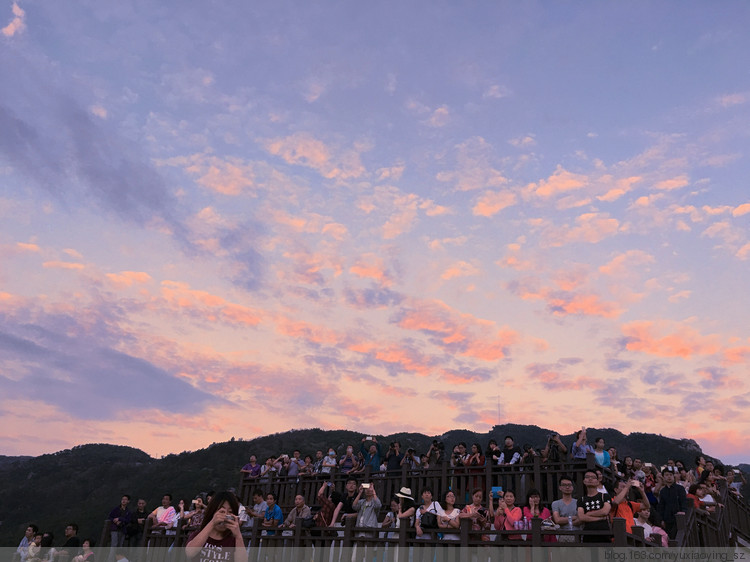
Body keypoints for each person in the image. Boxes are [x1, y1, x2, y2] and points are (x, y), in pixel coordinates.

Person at [185, 491, 247, 562]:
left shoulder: (234, 541)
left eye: (230, 512)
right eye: (221, 511)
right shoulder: (198, 535)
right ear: (212, 511)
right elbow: (190, 553)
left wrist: (238, 535)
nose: (225, 516)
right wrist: (212, 523)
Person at [577, 469, 612, 543]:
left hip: (604, 534)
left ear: (597, 481)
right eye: (587, 477)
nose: (590, 479)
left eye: (593, 477)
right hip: (588, 534)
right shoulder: (581, 500)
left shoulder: (605, 496)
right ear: (584, 481)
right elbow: (581, 517)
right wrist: (600, 518)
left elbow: (605, 511)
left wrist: (588, 514)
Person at [657, 468, 687, 540]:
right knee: (670, 537)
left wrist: (683, 511)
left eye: (671, 475)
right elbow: (661, 506)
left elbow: (683, 502)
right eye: (666, 475)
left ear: (674, 476)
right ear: (663, 477)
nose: (669, 477)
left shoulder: (680, 488)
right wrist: (661, 519)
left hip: (678, 517)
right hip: (667, 518)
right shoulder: (663, 491)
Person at [551, 476, 580, 543]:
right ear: (560, 487)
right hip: (562, 535)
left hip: (577, 534)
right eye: (564, 485)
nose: (567, 487)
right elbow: (557, 520)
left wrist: (564, 520)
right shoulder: (555, 503)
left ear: (572, 487)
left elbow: (580, 519)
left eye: (569, 485)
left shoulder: (578, 502)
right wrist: (573, 518)